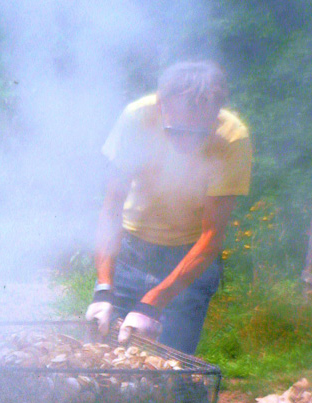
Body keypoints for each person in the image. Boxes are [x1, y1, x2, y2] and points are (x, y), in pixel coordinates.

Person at [85, 60, 252, 355]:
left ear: (216, 115)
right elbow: (111, 209)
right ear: (162, 105)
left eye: (199, 133)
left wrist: (153, 302)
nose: (187, 141)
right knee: (102, 361)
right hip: (130, 252)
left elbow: (212, 236)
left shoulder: (232, 138)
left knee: (168, 367)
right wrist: (103, 289)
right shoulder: (137, 118)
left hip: (188, 258)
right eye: (176, 131)